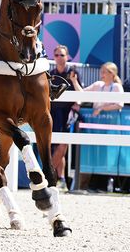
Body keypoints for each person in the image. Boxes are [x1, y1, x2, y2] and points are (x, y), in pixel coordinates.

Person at [49, 45, 79, 189]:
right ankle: (60, 180)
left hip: (68, 113)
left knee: (62, 145)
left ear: (67, 56)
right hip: (52, 113)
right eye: (56, 55)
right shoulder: (50, 74)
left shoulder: (73, 72)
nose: (59, 58)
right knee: (53, 148)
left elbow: (81, 95)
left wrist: (74, 81)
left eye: (62, 55)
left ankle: (46, 176)